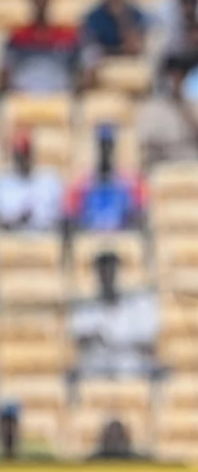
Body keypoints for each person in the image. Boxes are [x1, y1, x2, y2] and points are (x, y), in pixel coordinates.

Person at [69, 250, 159, 379]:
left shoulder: (139, 305)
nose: (108, 278)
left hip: (131, 370)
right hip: (96, 371)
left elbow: (150, 346)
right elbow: (77, 341)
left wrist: (118, 343)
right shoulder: (85, 307)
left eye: (111, 272)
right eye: (103, 272)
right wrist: (94, 337)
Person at [1, 0, 81, 93]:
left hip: (59, 92)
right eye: (36, 1)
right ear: (30, 3)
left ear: (50, 2)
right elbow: (7, 67)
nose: (40, 6)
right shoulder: (18, 36)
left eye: (43, 1)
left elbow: (78, 65)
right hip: (23, 92)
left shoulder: (66, 35)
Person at [65, 125, 145, 232]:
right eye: (102, 146)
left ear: (114, 148)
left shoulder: (128, 184)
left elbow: (137, 215)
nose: (105, 152)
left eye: (109, 146)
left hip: (120, 238)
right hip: (89, 238)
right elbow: (72, 216)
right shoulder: (82, 185)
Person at [136, 56, 198, 166]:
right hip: (163, 165)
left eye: (181, 76)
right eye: (173, 76)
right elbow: (145, 142)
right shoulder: (152, 108)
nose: (177, 81)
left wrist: (184, 110)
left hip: (193, 165)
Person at [0, 131, 64, 232]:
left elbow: (60, 216)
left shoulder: (49, 179)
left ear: (31, 154)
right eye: (19, 155)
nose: (22, 160)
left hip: (45, 238)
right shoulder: (4, 184)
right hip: (13, 239)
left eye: (25, 155)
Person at [83, 0, 147, 58]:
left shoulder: (135, 14)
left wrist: (123, 18)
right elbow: (90, 41)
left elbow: (137, 43)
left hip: (128, 55)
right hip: (103, 56)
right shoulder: (94, 16)